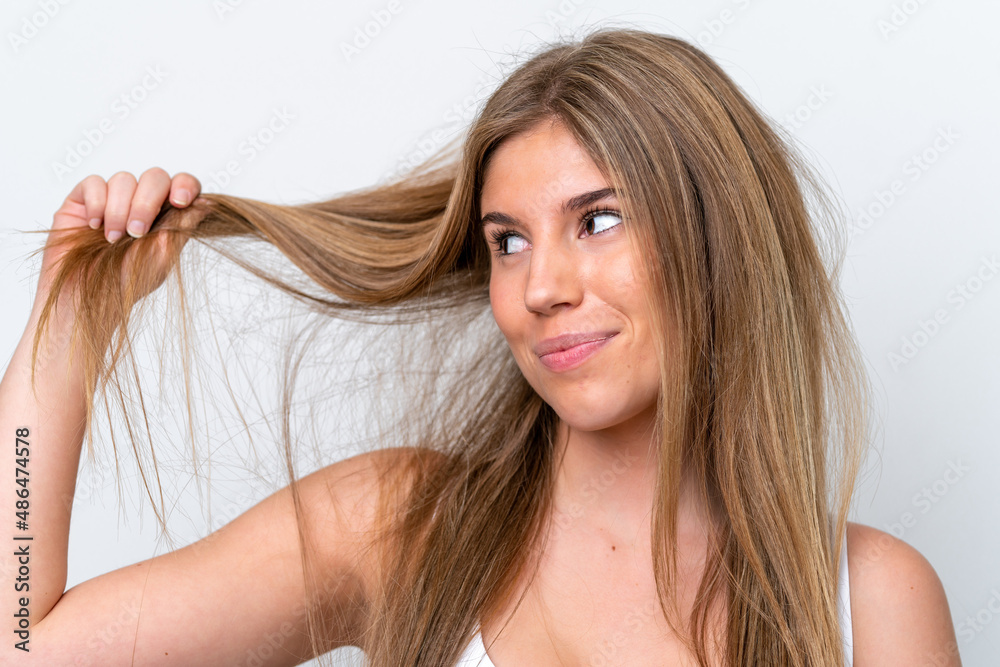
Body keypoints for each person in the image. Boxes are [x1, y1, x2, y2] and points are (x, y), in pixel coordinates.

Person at [1, 27, 960, 667]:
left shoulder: (867, 604)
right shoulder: (399, 527)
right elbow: (23, 644)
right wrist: (68, 331)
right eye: (508, 240)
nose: (541, 286)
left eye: (599, 220)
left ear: (719, 241)